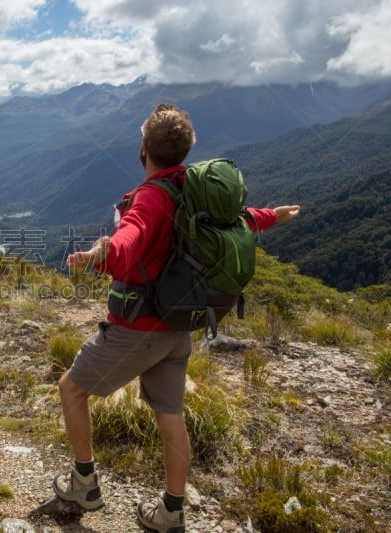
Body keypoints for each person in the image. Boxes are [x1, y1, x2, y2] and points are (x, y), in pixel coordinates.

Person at [53, 103, 301, 532]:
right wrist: (270, 217)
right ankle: (171, 510)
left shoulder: (151, 196)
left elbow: (128, 240)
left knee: (71, 390)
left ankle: (84, 484)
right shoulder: (192, 185)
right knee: (170, 415)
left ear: (144, 149)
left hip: (140, 328)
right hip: (179, 326)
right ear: (185, 151)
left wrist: (101, 253)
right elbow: (233, 222)